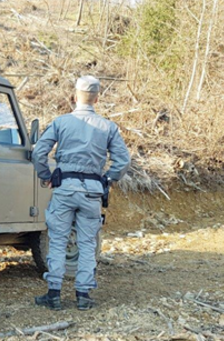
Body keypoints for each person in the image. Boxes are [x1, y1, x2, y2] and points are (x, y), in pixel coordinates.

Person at [32, 75, 130, 311]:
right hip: (92, 193)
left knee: (57, 241)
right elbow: (123, 160)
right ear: (97, 98)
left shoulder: (60, 122)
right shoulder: (108, 126)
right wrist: (108, 179)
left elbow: (38, 153)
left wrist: (46, 176)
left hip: (65, 189)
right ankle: (83, 296)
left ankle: (54, 294)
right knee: (87, 243)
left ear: (74, 97)